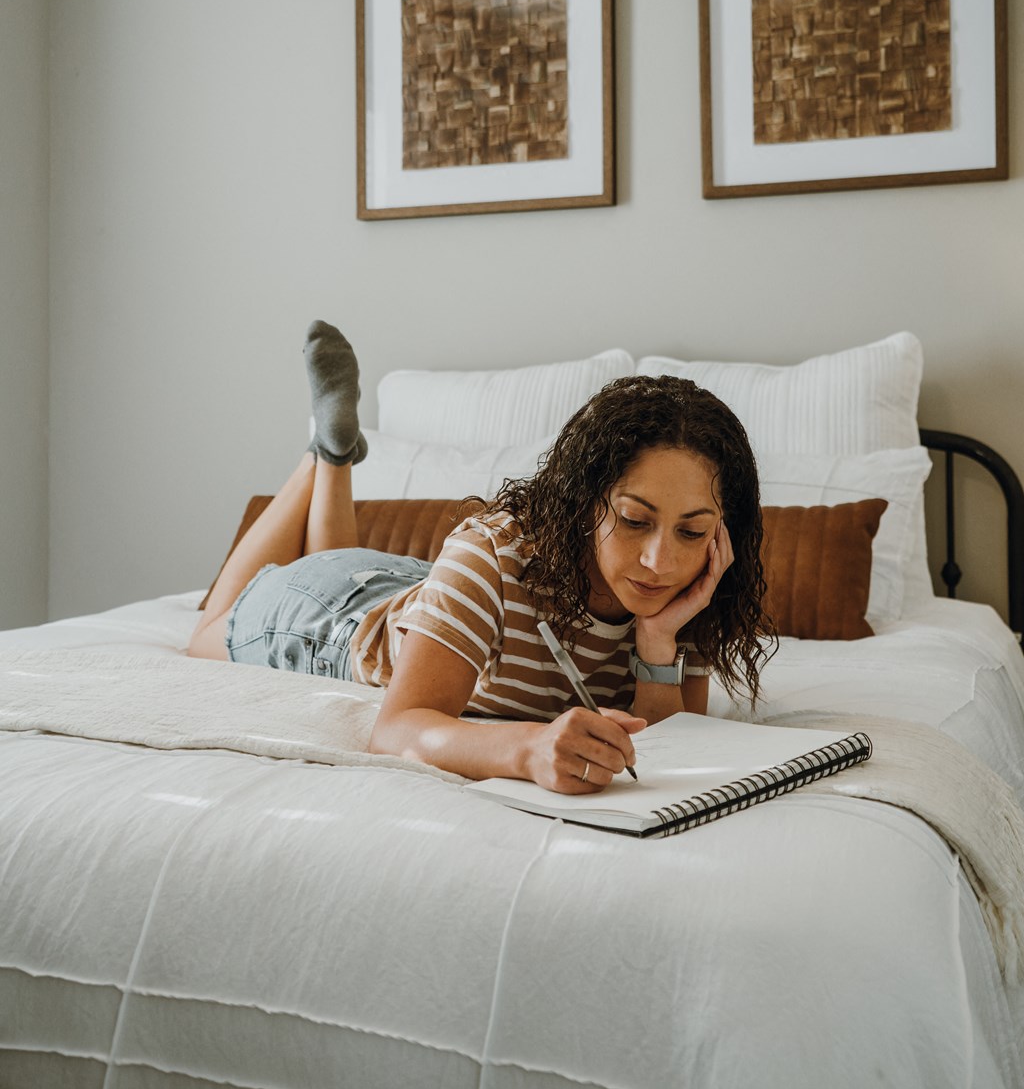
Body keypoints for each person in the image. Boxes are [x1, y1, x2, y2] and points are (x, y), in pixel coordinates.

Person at [190, 322, 777, 793]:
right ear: (582, 499)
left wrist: (658, 638)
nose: (659, 561)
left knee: (340, 557)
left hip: (419, 590)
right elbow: (396, 729)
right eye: (633, 520)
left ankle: (333, 452)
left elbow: (669, 750)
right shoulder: (493, 555)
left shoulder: (689, 586)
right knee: (204, 634)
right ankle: (320, 456)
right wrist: (527, 749)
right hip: (335, 621)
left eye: (692, 530)